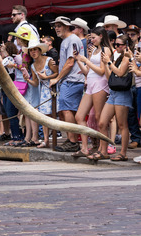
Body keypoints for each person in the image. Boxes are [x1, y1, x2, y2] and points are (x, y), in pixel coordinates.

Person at [90, 34, 135, 161]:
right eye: (116, 44)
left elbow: (120, 73)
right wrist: (107, 64)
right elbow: (110, 76)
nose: (116, 47)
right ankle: (103, 150)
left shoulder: (127, 57)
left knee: (122, 124)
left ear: (126, 46)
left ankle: (123, 153)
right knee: (103, 122)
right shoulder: (118, 57)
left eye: (119, 45)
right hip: (114, 92)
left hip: (123, 93)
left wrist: (109, 62)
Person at [72, 26, 111, 157]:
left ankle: (102, 149)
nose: (92, 40)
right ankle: (84, 148)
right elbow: (88, 71)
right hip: (90, 83)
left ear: (101, 36)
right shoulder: (94, 51)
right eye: (91, 38)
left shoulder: (105, 50)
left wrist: (86, 60)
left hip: (100, 84)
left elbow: (101, 71)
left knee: (100, 118)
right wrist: (79, 61)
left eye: (94, 37)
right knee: (79, 116)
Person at [48, 16, 85, 153]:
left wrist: (57, 78)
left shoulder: (72, 39)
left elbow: (70, 62)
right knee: (67, 110)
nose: (57, 28)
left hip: (72, 80)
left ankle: (73, 141)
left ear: (67, 26)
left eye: (60, 25)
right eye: (55, 25)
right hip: (69, 80)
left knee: (67, 110)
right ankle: (72, 140)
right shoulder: (66, 40)